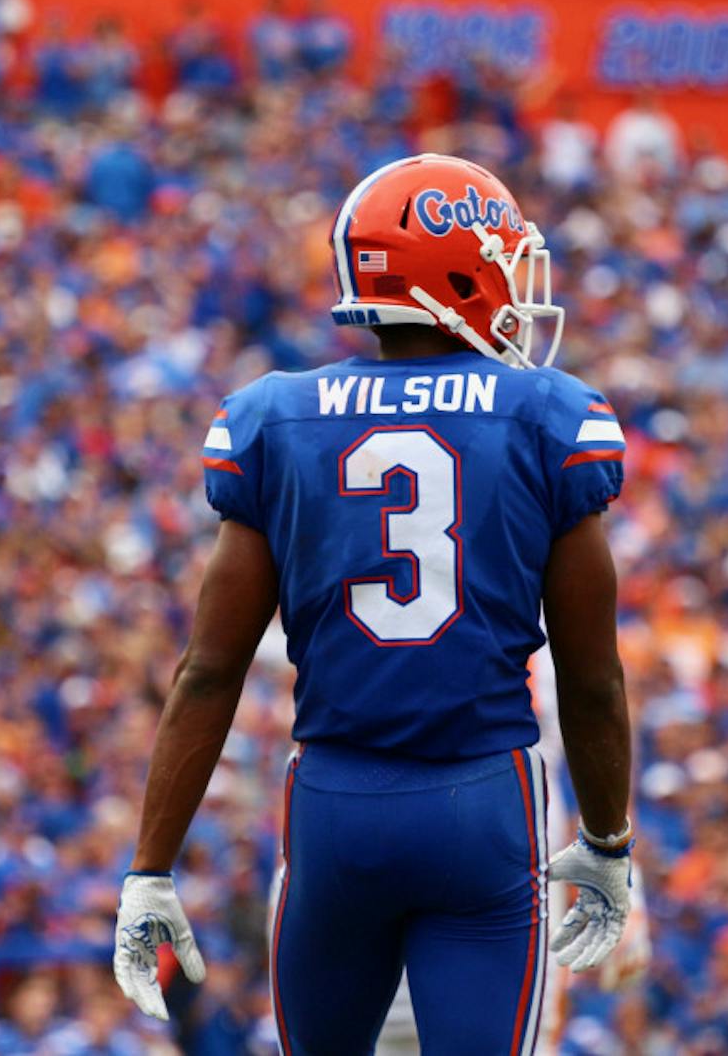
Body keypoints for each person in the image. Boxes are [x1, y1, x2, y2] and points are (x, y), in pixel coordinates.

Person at [113, 154, 638, 1053]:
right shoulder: (548, 416)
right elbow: (591, 679)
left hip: (335, 806)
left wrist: (150, 867)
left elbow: (209, 671)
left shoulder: (275, 418)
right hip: (483, 802)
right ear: (457, 272)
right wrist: (606, 839)